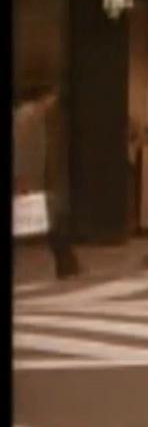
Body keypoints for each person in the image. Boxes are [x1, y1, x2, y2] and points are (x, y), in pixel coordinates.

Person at [13, 82, 81, 279]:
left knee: (52, 222)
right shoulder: (26, 117)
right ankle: (67, 264)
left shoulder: (35, 117)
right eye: (52, 98)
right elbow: (24, 150)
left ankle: (67, 264)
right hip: (29, 179)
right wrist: (23, 178)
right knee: (52, 222)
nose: (53, 102)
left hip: (36, 179)